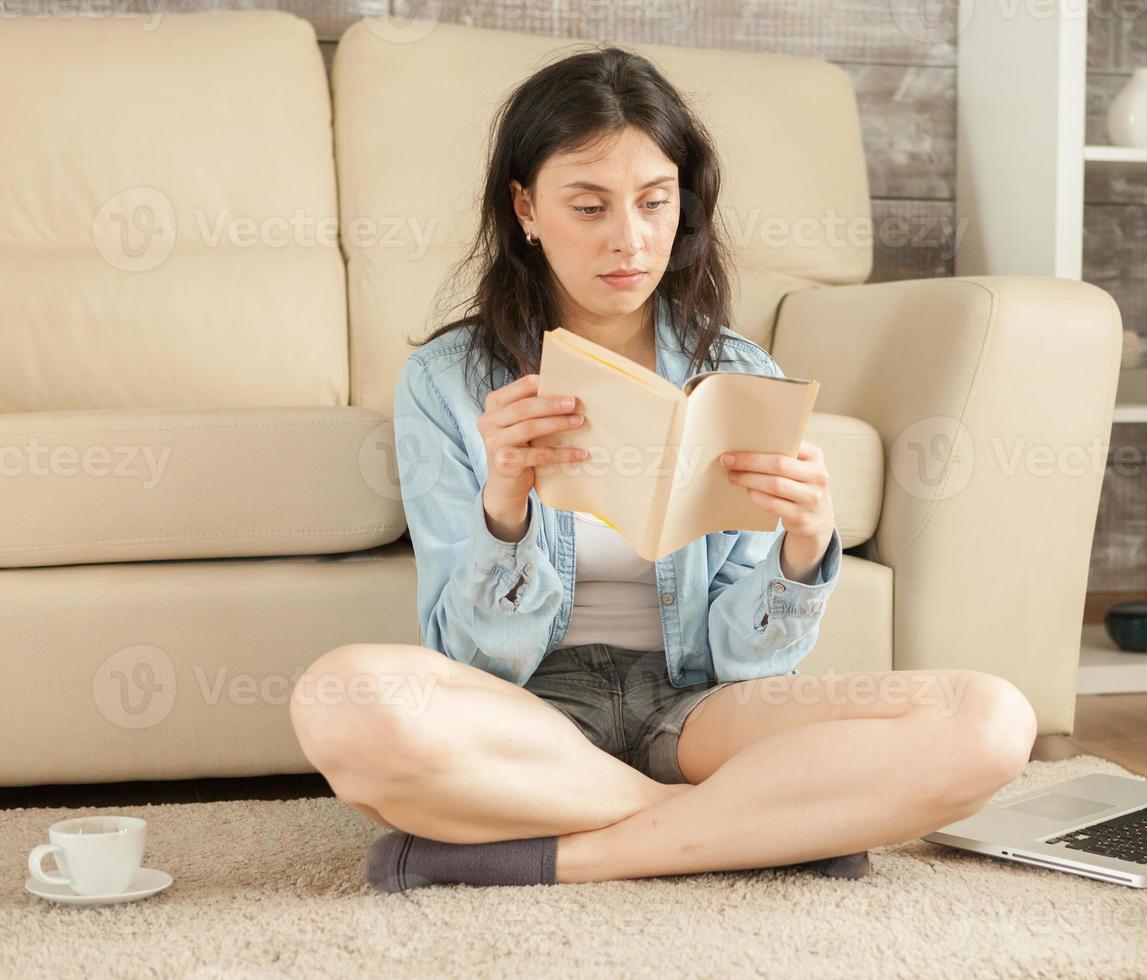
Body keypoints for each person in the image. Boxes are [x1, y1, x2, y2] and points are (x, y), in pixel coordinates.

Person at [289, 44, 1037, 892]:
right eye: (588, 206)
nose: (630, 240)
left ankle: (555, 852)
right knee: (339, 699)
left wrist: (802, 552)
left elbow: (744, 666)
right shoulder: (449, 383)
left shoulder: (742, 375)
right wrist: (505, 509)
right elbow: (471, 662)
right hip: (528, 714)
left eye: (654, 202)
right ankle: (751, 828)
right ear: (525, 208)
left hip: (698, 706)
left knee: (990, 720)